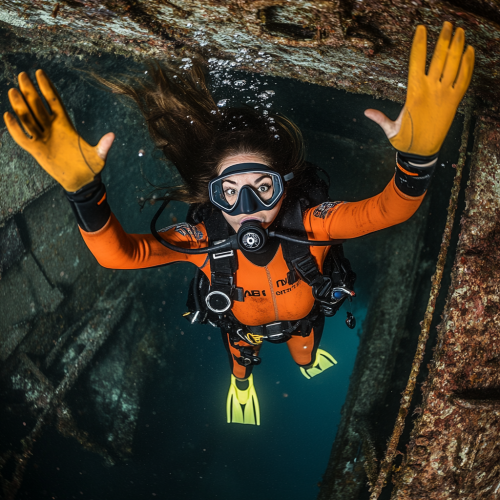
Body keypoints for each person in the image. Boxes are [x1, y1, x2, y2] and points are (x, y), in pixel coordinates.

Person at [3, 22, 474, 426]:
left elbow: (390, 209)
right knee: (242, 360)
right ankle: (243, 385)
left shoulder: (312, 222)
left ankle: (302, 363)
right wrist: (83, 191)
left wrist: (417, 157)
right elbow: (118, 255)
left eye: (261, 188)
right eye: (229, 192)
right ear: (213, 198)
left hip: (304, 321)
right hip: (240, 330)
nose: (246, 205)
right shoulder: (204, 239)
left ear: (283, 187)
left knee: (305, 353)